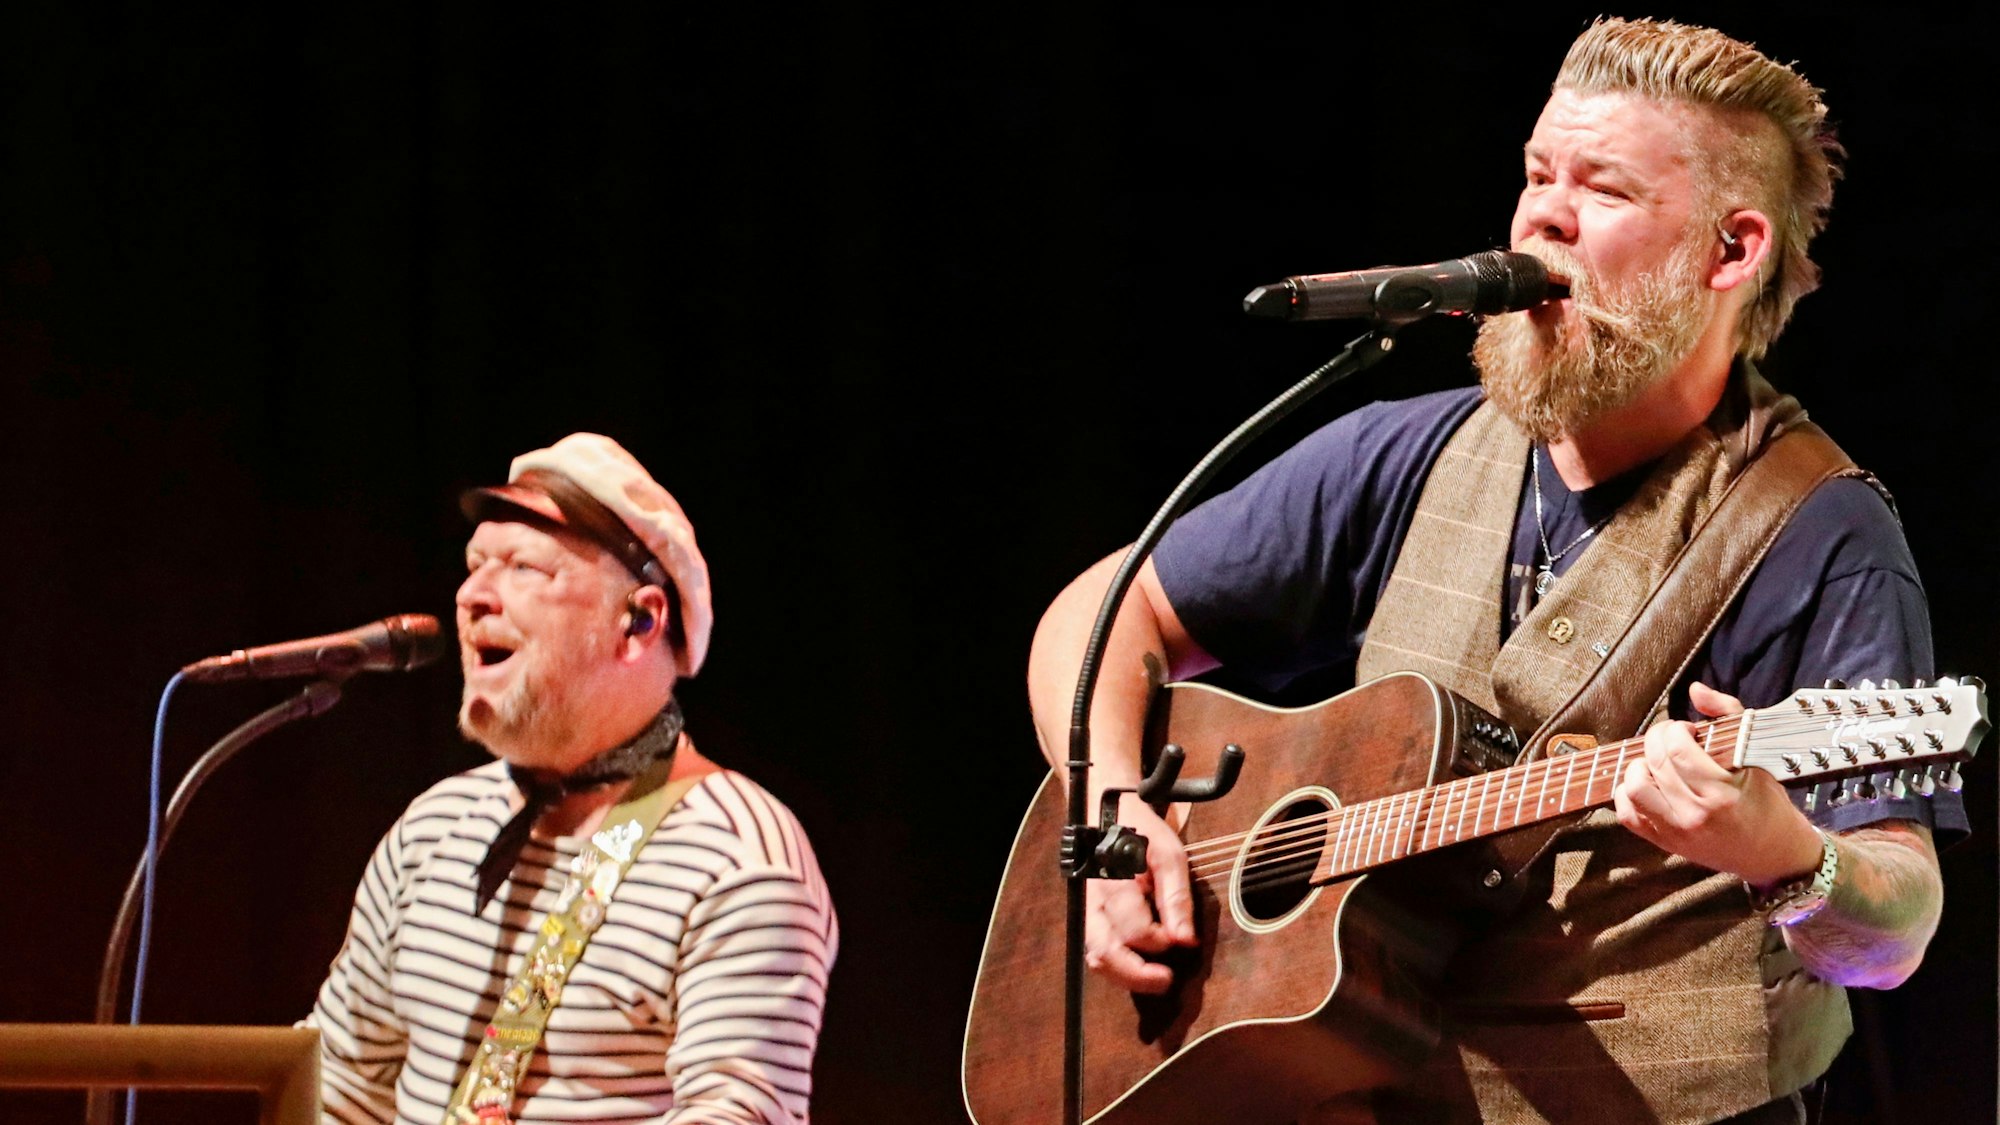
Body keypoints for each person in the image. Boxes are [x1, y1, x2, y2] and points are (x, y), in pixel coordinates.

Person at [1025, 18, 1965, 1125]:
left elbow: (1894, 931)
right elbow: (1105, 612)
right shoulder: (1409, 451)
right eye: (1534, 176)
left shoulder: (1819, 532)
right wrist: (1113, 808)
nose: (1540, 217)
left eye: (1601, 190)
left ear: (1730, 250)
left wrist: (1785, 856)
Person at [307, 433, 838, 1124]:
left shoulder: (739, 853)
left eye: (523, 567)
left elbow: (737, 1114)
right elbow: (340, 1087)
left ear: (639, 620)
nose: (472, 595)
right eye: (474, 565)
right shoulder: (432, 829)